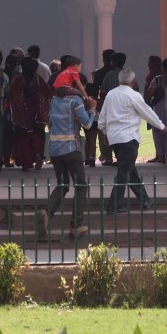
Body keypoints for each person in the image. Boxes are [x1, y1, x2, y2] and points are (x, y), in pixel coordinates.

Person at [99, 68, 165, 212]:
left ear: (119, 80)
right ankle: (114, 204)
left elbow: (102, 116)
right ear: (133, 81)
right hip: (129, 138)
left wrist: (105, 132)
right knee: (124, 171)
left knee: (128, 170)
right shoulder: (134, 96)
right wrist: (161, 126)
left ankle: (145, 200)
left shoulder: (111, 94)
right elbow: (147, 113)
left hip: (115, 139)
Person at [36, 86, 96, 242]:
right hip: (71, 149)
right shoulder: (75, 101)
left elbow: (49, 122)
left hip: (55, 150)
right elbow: (87, 124)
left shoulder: (54, 100)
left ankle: (47, 213)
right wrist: (92, 109)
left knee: (62, 184)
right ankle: (76, 225)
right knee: (81, 186)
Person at [10, 57, 52, 171]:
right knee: (37, 137)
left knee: (23, 139)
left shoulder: (18, 80)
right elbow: (48, 93)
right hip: (37, 114)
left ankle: (26, 163)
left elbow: (13, 96)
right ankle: (38, 154)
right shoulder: (38, 79)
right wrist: (43, 110)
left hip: (22, 115)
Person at [85, 48, 115, 166]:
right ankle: (113, 156)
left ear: (103, 59)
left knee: (99, 131)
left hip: (102, 103)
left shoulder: (100, 73)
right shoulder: (120, 74)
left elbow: (94, 89)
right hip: (116, 104)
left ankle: (101, 156)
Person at [143, 55, 163, 162]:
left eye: (150, 63)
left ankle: (161, 154)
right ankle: (159, 154)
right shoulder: (150, 76)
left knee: (159, 131)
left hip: (157, 106)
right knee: (155, 131)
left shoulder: (158, 77)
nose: (148, 65)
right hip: (152, 106)